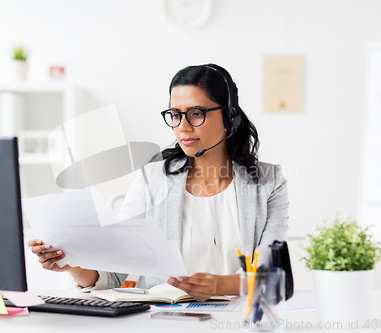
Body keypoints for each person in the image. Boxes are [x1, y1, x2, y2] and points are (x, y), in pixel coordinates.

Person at [29, 64, 289, 302]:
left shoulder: (269, 183)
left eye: (196, 114)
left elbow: (273, 275)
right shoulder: (151, 179)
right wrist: (73, 265)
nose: (183, 127)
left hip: (241, 321)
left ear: (230, 117)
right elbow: (116, 274)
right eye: (176, 115)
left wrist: (220, 285)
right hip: (165, 320)